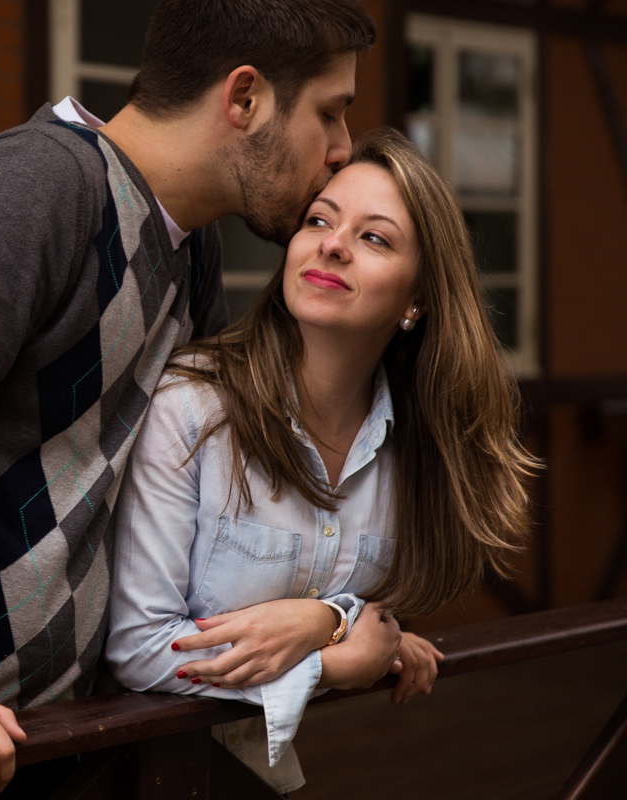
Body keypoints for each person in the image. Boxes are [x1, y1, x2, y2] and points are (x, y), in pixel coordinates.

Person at [0, 2, 376, 798]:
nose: (341, 150)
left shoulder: (191, 250)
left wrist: (337, 622)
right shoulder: (38, 185)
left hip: (38, 731)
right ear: (244, 98)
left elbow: (210, 500)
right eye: (330, 113)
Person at [105, 127, 540, 794]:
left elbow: (364, 606)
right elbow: (140, 650)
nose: (332, 244)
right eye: (319, 220)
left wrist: (330, 620)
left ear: (416, 300)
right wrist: (335, 657)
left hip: (251, 777)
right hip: (131, 774)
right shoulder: (194, 406)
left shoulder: (411, 442)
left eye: (374, 238)